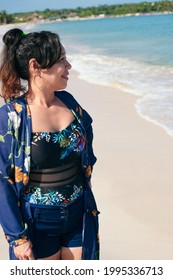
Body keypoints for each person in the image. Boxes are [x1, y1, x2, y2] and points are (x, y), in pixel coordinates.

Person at [0, 28, 99, 260]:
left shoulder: (69, 102)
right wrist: (18, 238)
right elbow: (2, 182)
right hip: (38, 222)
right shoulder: (11, 117)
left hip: (78, 215)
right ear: (36, 66)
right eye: (61, 60)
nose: (69, 66)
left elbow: (88, 146)